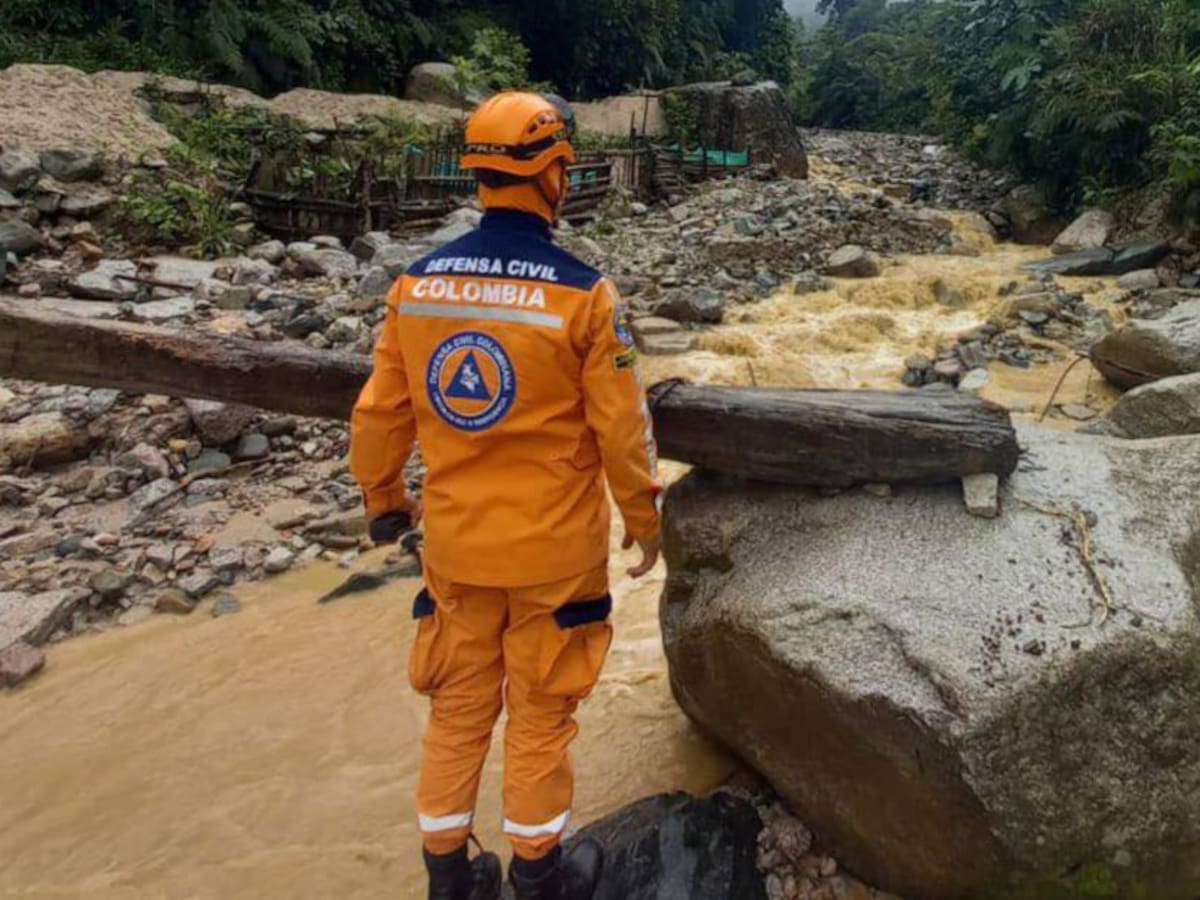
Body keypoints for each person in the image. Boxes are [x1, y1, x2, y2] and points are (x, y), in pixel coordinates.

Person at [349, 92, 663, 900]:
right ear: (555, 172)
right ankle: (539, 877)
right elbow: (622, 430)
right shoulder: (585, 296)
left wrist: (385, 498)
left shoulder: (415, 288)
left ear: (479, 174)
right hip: (553, 557)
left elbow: (380, 414)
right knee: (541, 717)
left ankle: (450, 876)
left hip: (455, 548)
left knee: (457, 713)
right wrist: (643, 519)